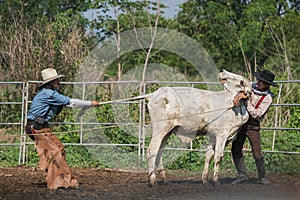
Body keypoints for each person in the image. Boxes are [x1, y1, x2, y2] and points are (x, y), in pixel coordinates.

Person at [25, 68, 100, 189]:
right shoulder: (48, 94)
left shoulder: (50, 94)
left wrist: (86, 106)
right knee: (55, 153)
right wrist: (90, 103)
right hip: (36, 127)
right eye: (55, 80)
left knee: (59, 148)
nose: (58, 82)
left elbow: (67, 104)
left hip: (41, 127)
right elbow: (70, 102)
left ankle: (58, 178)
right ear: (50, 83)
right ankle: (61, 182)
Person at [231, 69, 277, 185]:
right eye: (258, 80)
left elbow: (257, 114)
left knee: (257, 153)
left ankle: (262, 176)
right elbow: (240, 86)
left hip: (252, 125)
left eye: (261, 81)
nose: (258, 82)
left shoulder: (267, 98)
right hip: (241, 123)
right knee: (235, 148)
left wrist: (246, 102)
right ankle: (242, 175)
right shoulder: (251, 86)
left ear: (267, 84)